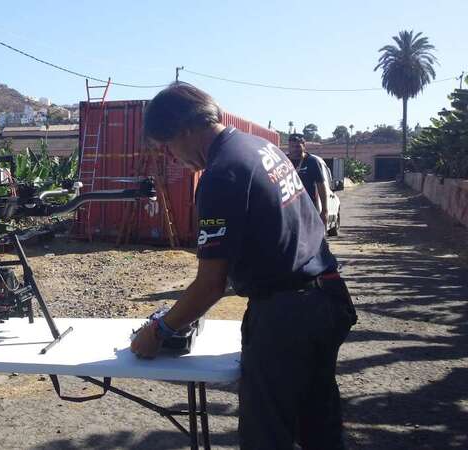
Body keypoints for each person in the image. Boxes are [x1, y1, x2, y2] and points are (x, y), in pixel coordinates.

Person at [130, 82, 357, 450]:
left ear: (185, 130)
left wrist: (159, 330)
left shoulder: (222, 174)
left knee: (266, 436)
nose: (172, 157)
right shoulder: (261, 147)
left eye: (168, 145)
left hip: (287, 317)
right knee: (318, 425)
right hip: (326, 297)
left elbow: (211, 284)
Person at [287, 133, 329, 225]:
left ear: (304, 146)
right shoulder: (284, 160)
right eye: (292, 146)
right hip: (289, 209)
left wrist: (324, 210)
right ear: (289, 146)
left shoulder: (312, 161)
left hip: (308, 208)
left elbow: (321, 186)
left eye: (298, 146)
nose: (295, 149)